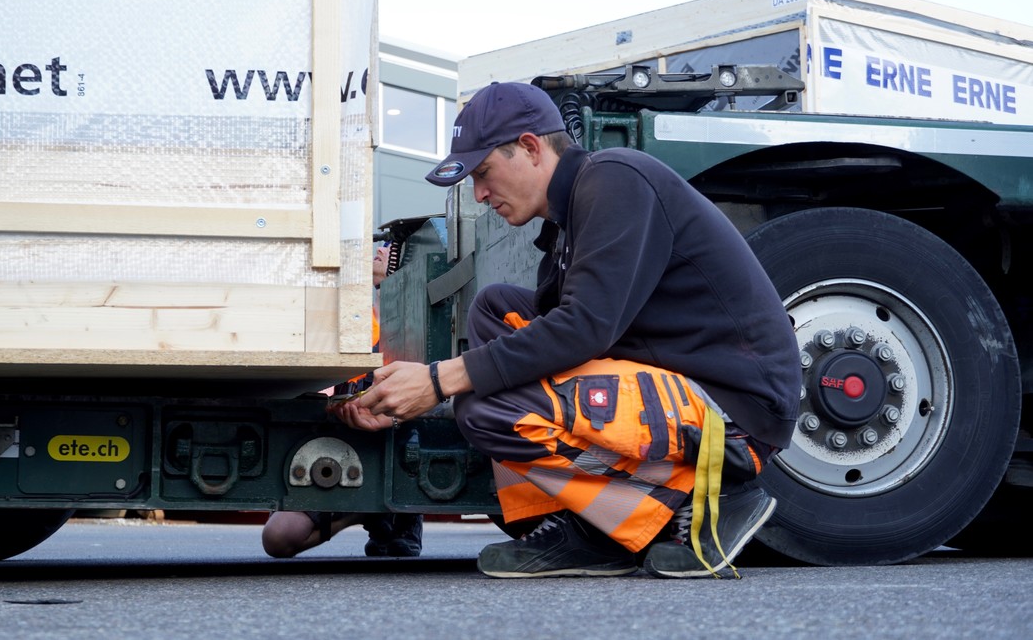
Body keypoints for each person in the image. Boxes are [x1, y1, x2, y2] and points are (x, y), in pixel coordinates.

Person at [333, 81, 800, 579]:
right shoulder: (566, 222)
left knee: (486, 407)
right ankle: (588, 521)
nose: (480, 194)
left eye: (484, 172)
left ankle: (705, 500)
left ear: (532, 148)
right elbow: (547, 344)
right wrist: (403, 405)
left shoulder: (616, 179)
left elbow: (584, 330)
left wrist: (437, 382)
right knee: (495, 311)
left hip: (732, 410)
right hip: (676, 383)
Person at [262, 244, 424, 559]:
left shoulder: (416, 320)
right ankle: (364, 513)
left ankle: (403, 514)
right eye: (378, 244)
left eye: (391, 246)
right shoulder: (346, 313)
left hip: (396, 442)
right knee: (277, 539)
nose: (380, 249)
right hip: (338, 446)